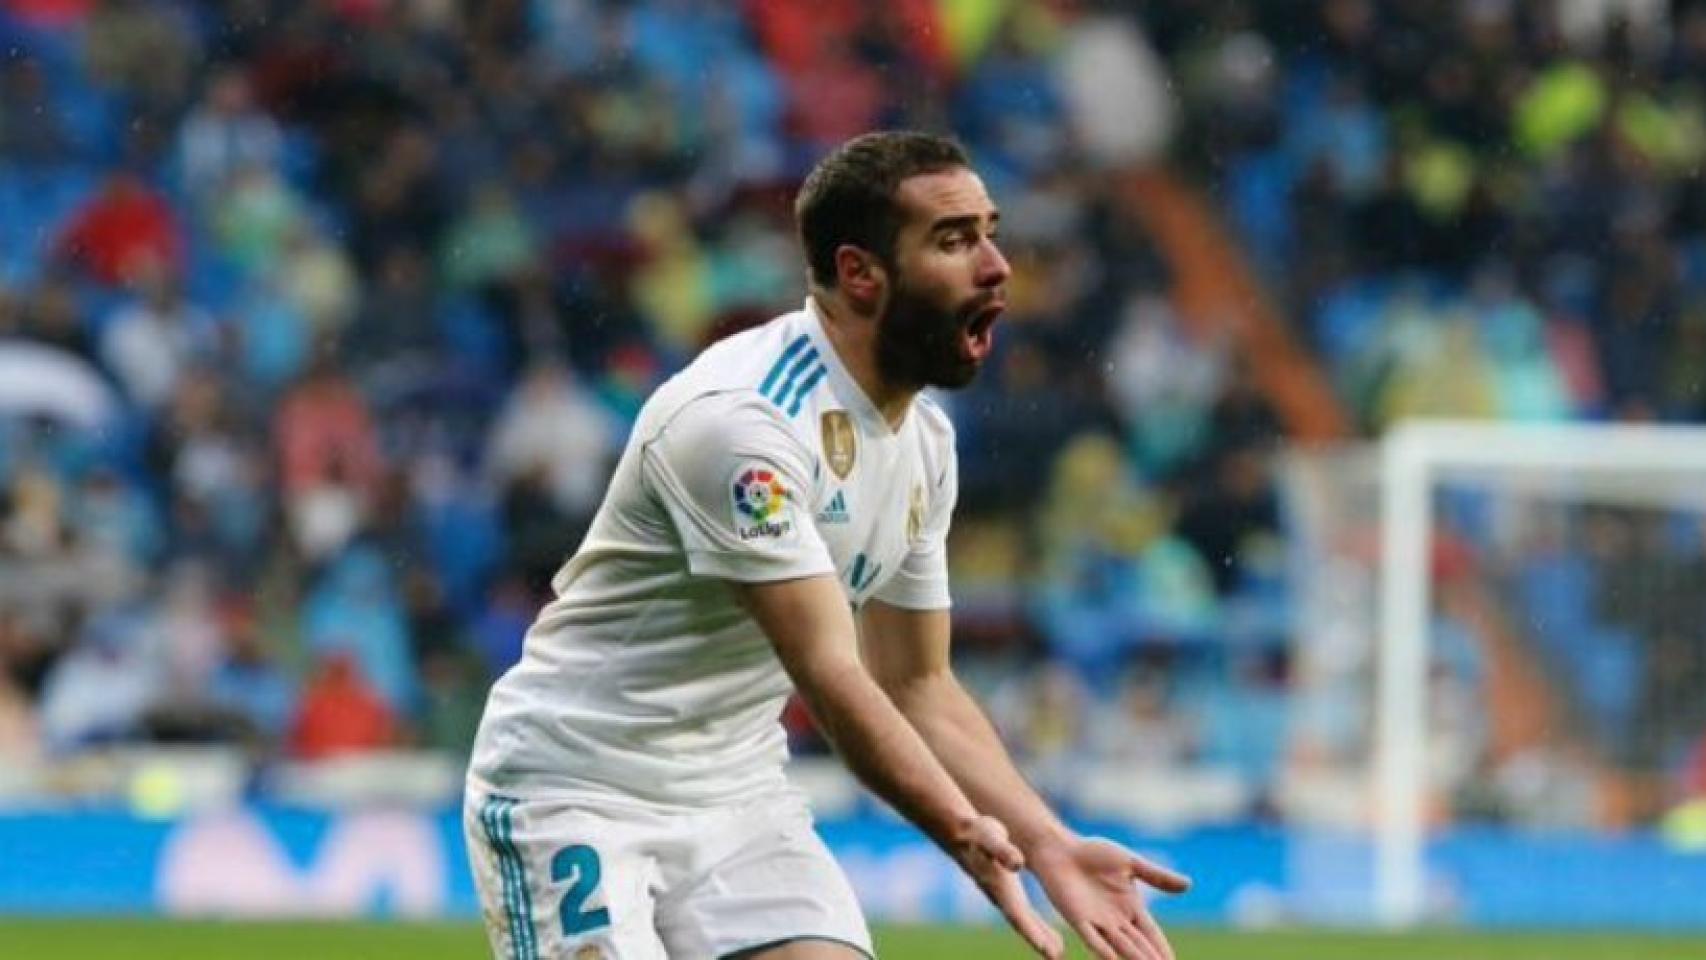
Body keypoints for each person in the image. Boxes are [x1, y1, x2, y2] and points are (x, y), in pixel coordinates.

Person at [464, 130, 1190, 960]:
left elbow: (916, 680)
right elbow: (833, 675)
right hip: (577, 786)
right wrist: (960, 829)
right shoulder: (741, 424)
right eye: (954, 241)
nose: (997, 266)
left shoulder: (926, 444)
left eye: (990, 231)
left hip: (735, 795)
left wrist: (1047, 839)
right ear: (859, 274)